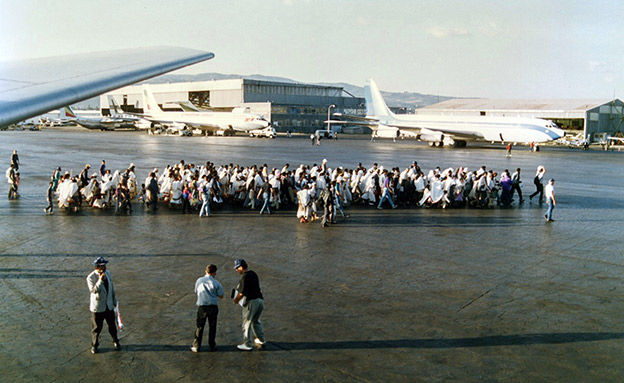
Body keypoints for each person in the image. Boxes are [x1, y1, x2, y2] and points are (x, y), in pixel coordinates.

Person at [86, 257, 120, 354]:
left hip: (108, 305)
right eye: (102, 266)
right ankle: (94, 345)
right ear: (97, 267)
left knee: (112, 325)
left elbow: (112, 288)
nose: (104, 267)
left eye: (104, 265)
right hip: (98, 308)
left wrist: (114, 301)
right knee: (96, 328)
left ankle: (115, 341)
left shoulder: (108, 273)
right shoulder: (90, 277)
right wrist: (100, 280)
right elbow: (93, 290)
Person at [233, 259, 265, 351]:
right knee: (256, 321)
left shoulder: (244, 277)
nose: (236, 270)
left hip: (251, 302)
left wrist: (236, 300)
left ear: (241, 267)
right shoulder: (253, 273)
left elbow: (242, 292)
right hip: (260, 300)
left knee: (247, 323)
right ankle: (261, 339)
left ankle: (247, 344)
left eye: (237, 268)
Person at [191, 264, 224, 352]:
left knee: (200, 326)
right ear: (214, 273)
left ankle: (196, 345)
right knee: (212, 326)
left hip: (202, 306)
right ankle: (212, 345)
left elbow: (196, 290)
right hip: (213, 306)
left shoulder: (199, 280)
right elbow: (221, 295)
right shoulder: (216, 283)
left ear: (206, 271)